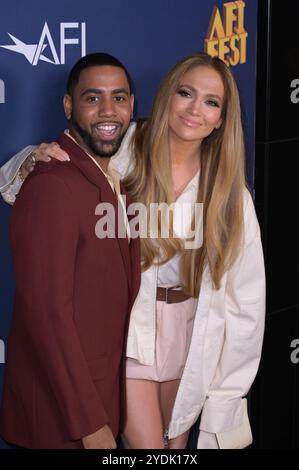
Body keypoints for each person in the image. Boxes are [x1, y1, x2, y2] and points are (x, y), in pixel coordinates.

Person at [0, 53, 265, 449]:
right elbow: (26, 184)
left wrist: (228, 392)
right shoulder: (124, 150)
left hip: (192, 338)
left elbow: (247, 302)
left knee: (175, 450)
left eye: (212, 102)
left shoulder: (230, 193)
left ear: (222, 119)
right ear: (165, 97)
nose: (195, 110)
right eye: (186, 93)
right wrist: (29, 160)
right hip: (130, 335)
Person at [0, 53, 140, 449]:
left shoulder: (114, 180)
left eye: (120, 97)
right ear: (68, 106)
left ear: (132, 104)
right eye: (93, 98)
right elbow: (47, 317)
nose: (108, 111)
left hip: (99, 405)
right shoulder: (52, 185)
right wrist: (91, 425)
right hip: (61, 421)